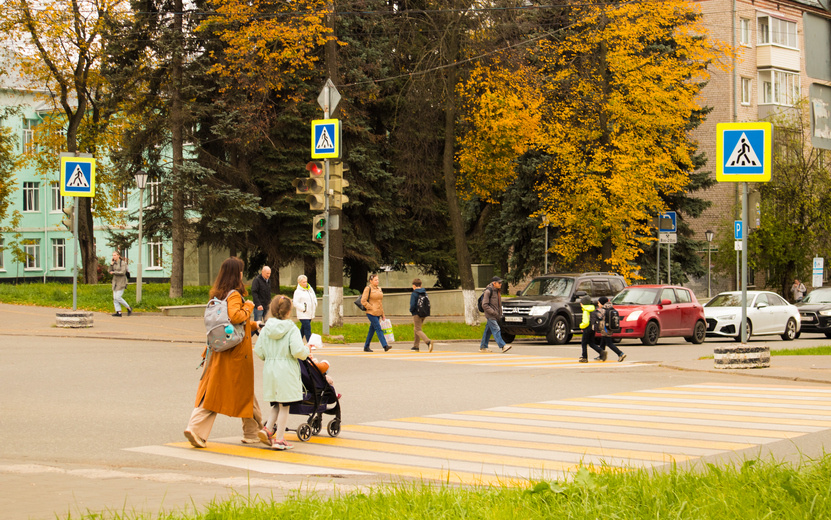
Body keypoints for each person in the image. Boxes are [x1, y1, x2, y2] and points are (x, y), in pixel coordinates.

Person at [183, 256, 263, 449]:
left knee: (245, 393)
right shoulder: (234, 295)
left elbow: (230, 322)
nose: (243, 274)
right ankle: (196, 429)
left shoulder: (219, 294)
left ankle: (254, 432)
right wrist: (249, 306)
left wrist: (254, 325)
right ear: (237, 274)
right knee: (216, 392)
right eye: (241, 271)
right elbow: (235, 317)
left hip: (220, 347)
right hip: (235, 353)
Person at [254, 295, 309, 450]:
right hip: (286, 369)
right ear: (289, 311)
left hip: (270, 369)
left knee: (278, 402)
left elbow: (259, 350)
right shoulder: (291, 328)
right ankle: (279, 439)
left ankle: (268, 429)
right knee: (285, 405)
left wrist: (269, 357)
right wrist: (307, 350)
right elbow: (297, 351)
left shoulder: (266, 329)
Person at [479, 276, 512, 353]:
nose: (501, 284)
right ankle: (503, 346)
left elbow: (498, 305)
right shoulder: (488, 291)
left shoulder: (497, 291)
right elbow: (484, 305)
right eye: (499, 283)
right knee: (496, 329)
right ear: (494, 283)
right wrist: (493, 312)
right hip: (490, 315)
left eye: (501, 283)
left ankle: (483, 347)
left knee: (488, 331)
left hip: (495, 315)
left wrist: (499, 314)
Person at [360, 274, 390, 352]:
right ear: (371, 281)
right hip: (371, 313)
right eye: (375, 280)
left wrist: (383, 314)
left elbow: (380, 302)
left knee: (372, 330)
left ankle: (366, 346)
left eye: (378, 280)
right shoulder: (368, 288)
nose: (377, 281)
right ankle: (385, 345)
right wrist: (371, 307)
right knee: (378, 328)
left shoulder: (379, 289)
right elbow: (363, 301)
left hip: (378, 312)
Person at [595, 296, 626, 362]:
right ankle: (601, 356)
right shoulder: (611, 308)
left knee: (609, 343)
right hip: (609, 328)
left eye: (598, 303)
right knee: (602, 342)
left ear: (602, 303)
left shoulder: (603, 310)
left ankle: (620, 353)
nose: (598, 304)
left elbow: (598, 317)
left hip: (605, 329)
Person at [409, 278, 433, 352]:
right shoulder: (424, 293)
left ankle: (428, 341)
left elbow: (412, 305)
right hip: (424, 313)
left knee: (417, 329)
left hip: (416, 313)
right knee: (416, 329)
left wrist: (411, 311)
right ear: (421, 285)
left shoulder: (414, 293)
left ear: (414, 286)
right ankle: (416, 346)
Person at [578, 295, 604, 363]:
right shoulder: (592, 308)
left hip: (587, 328)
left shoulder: (585, 310)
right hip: (592, 327)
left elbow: (585, 322)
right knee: (591, 343)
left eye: (581, 303)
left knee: (584, 343)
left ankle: (584, 357)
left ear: (583, 303)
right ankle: (601, 351)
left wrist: (581, 326)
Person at [292, 274, 317, 344]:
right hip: (303, 314)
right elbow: (295, 302)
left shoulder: (310, 290)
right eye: (303, 282)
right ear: (299, 282)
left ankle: (297, 342)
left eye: (306, 281)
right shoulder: (298, 292)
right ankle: (310, 343)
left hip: (310, 313)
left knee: (303, 329)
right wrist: (303, 308)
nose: (305, 283)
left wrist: (315, 303)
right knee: (307, 328)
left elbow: (314, 297)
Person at [108, 251, 133, 317]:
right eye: (113, 255)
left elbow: (122, 272)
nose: (114, 257)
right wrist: (111, 264)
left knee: (118, 297)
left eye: (115, 255)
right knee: (115, 298)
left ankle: (129, 308)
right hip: (115, 281)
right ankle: (118, 312)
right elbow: (109, 271)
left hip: (121, 281)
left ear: (118, 256)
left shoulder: (123, 263)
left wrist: (114, 272)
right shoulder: (114, 263)